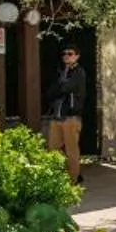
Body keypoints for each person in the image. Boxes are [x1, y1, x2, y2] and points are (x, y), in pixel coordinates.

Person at [45, 45, 88, 184]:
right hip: (56, 117)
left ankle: (73, 179)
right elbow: (50, 92)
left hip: (71, 117)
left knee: (71, 150)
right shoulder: (60, 71)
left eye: (70, 53)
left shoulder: (79, 72)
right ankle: (56, 179)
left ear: (77, 56)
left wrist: (58, 88)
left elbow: (66, 88)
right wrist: (58, 89)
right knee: (53, 149)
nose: (66, 56)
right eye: (64, 54)